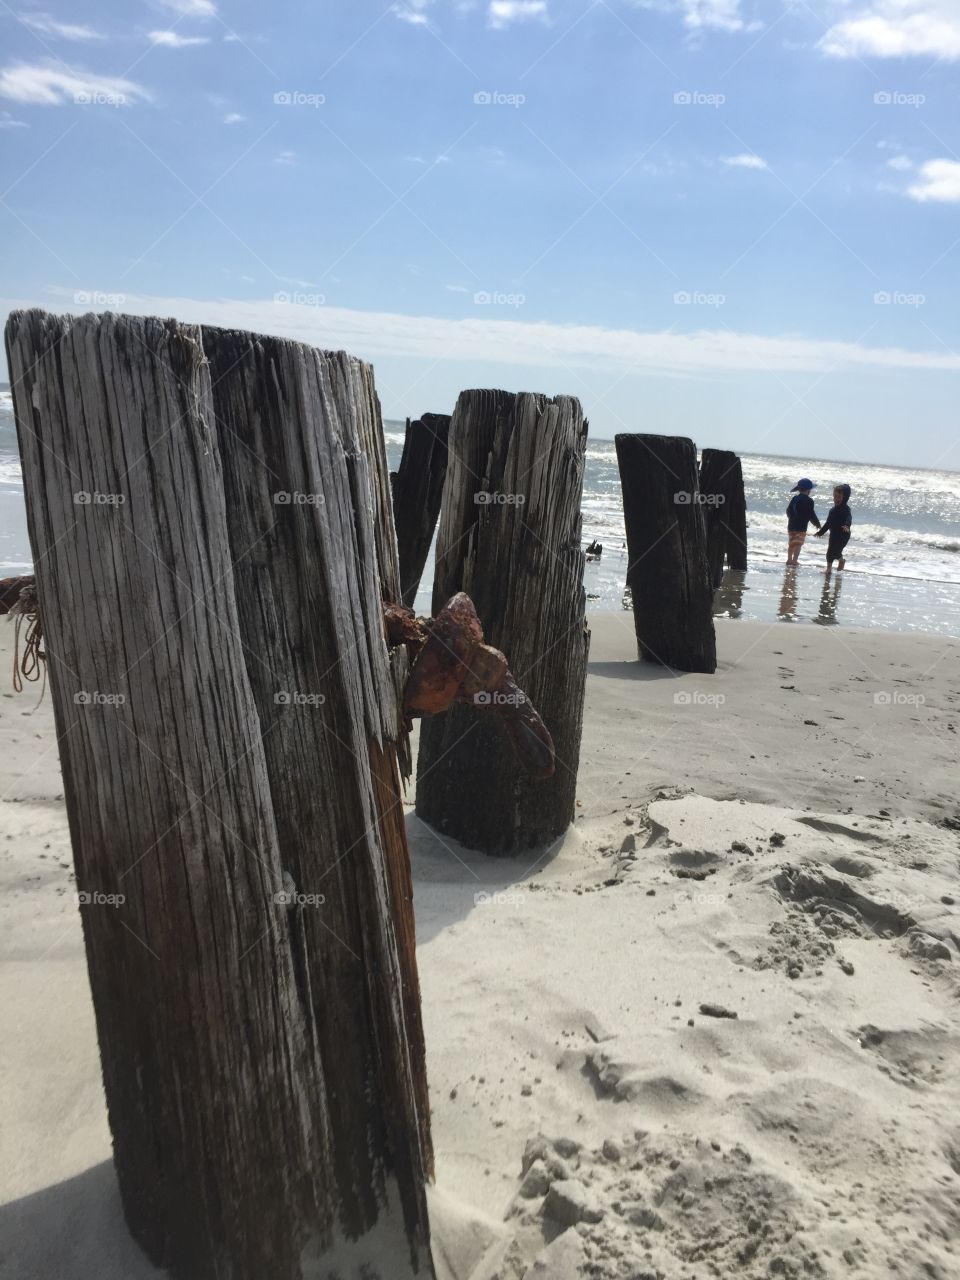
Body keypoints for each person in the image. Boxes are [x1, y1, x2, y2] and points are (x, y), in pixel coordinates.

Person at [816, 483, 852, 571]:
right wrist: (821, 532)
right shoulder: (832, 510)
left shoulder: (846, 509)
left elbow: (849, 518)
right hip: (833, 534)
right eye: (835, 496)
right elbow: (828, 523)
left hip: (843, 534)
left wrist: (847, 525)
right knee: (829, 553)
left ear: (845, 497)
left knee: (836, 551)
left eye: (839, 497)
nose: (836, 499)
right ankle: (828, 568)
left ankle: (841, 561)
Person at [785, 478, 821, 564]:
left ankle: (789, 559)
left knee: (792, 543)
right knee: (798, 544)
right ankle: (794, 560)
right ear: (808, 490)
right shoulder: (810, 501)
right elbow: (811, 514)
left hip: (791, 526)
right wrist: (817, 524)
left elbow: (788, 511)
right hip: (801, 527)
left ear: (799, 489)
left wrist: (791, 518)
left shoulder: (794, 499)